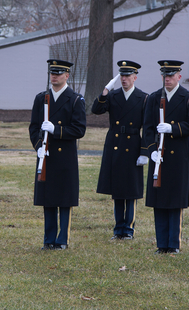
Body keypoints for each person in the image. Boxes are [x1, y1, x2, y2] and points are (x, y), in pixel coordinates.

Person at [141, 60, 189, 254]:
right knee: (159, 200)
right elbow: (148, 127)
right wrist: (150, 149)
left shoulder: (188, 98)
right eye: (165, 76)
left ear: (179, 76)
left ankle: (173, 244)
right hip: (157, 157)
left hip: (177, 157)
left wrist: (173, 128)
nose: (167, 79)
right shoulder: (153, 98)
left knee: (174, 201)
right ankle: (161, 244)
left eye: (171, 76)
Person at [29, 59, 86, 250]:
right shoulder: (41, 98)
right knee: (48, 198)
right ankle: (49, 238)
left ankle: (62, 239)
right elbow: (34, 127)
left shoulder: (75, 99)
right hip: (46, 154)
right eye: (52, 73)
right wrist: (38, 145)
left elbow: (79, 130)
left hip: (65, 157)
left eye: (59, 73)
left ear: (67, 76)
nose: (54, 76)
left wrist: (56, 130)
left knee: (64, 198)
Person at [92, 60, 149, 241]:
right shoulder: (113, 95)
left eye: (128, 76)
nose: (124, 79)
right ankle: (118, 229)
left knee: (130, 190)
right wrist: (104, 92)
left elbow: (148, 127)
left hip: (133, 145)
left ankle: (129, 229)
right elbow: (96, 110)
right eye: (122, 76)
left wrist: (145, 152)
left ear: (135, 77)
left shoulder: (143, 98)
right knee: (117, 190)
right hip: (114, 144)